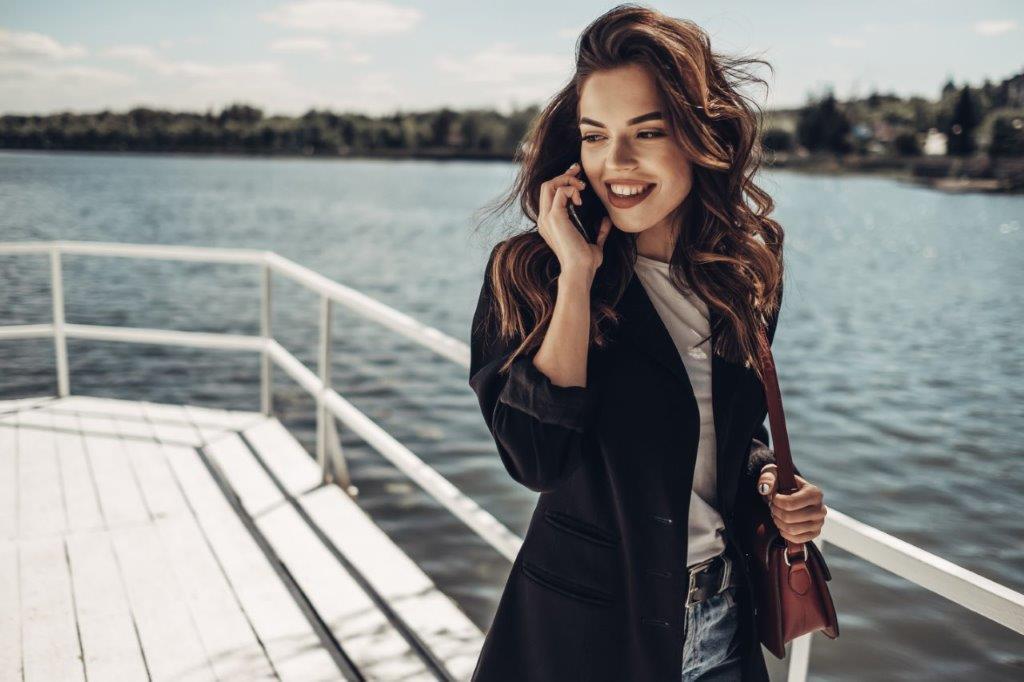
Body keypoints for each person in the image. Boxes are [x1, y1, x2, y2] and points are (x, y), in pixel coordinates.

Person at [467, 5, 828, 681]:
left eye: (647, 132)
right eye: (595, 136)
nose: (616, 164)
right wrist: (578, 277)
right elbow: (537, 459)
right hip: (589, 638)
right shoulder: (532, 272)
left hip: (724, 624)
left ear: (698, 134)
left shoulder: (745, 271)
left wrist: (768, 480)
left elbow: (722, 430)